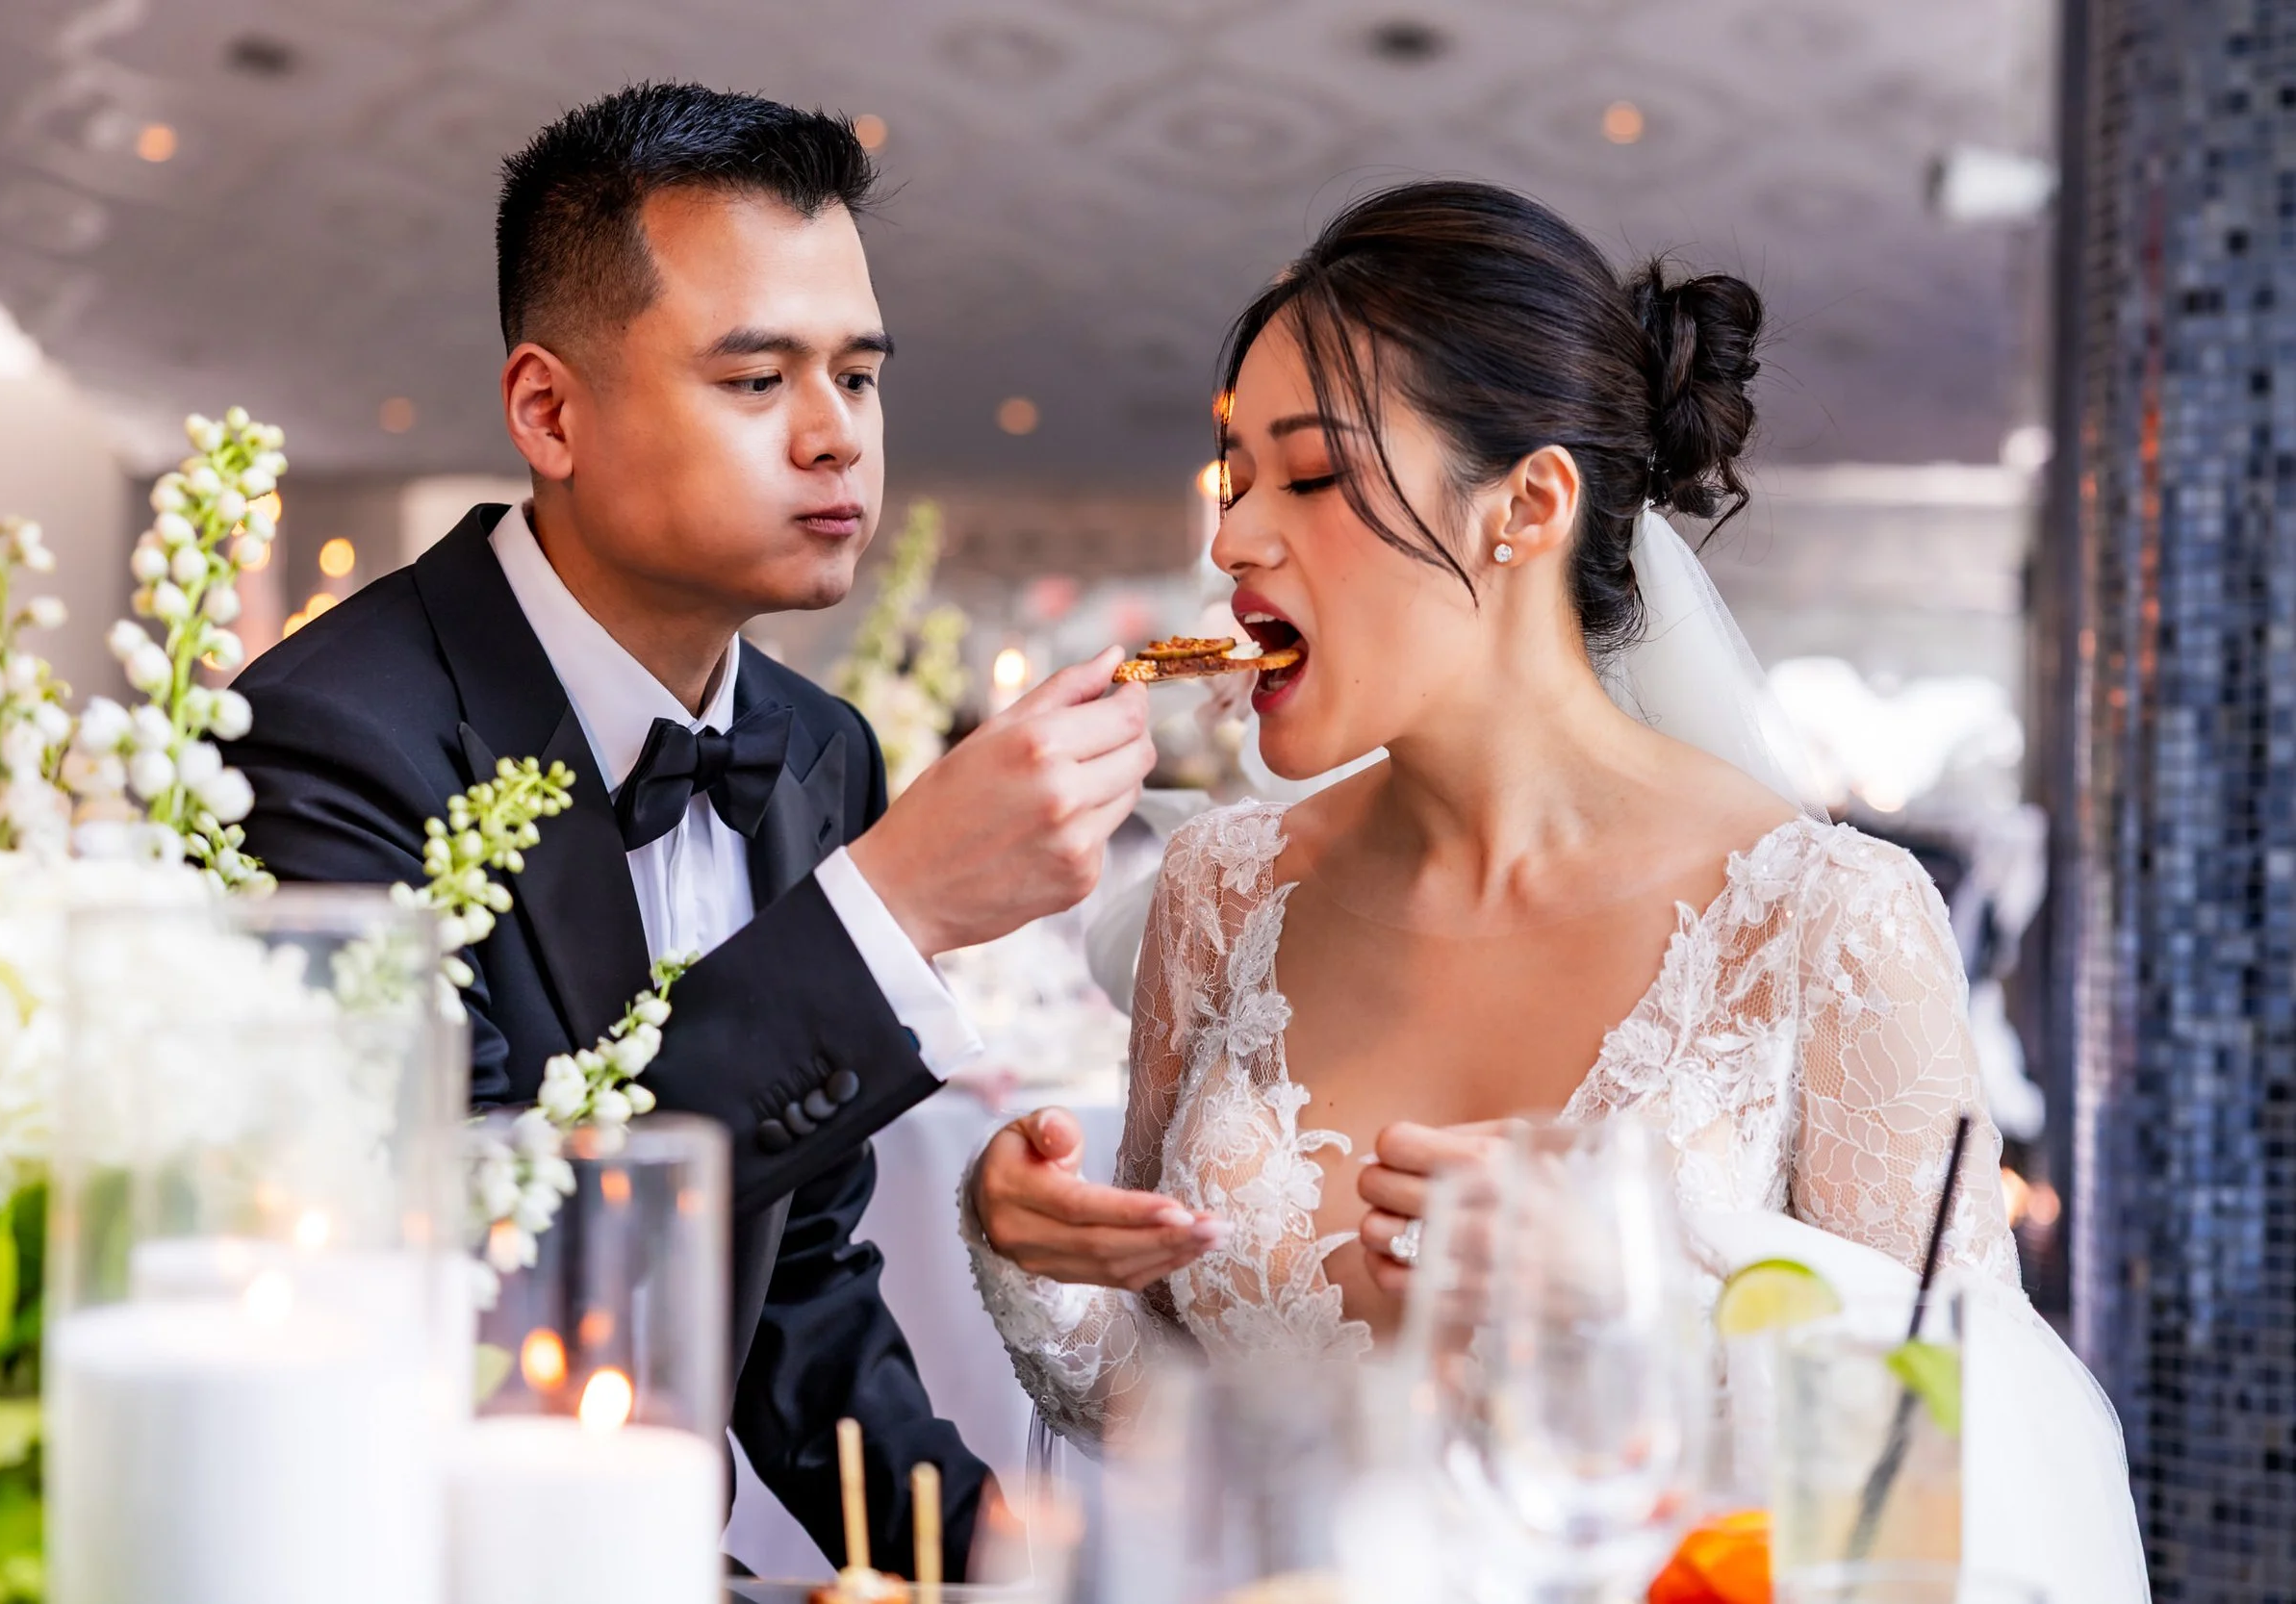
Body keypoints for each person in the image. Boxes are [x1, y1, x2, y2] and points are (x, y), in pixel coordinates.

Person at [225, 84, 1154, 1580]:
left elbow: (790, 1274)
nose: (836, 438)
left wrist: (995, 1558)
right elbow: (465, 1263)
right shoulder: (326, 741)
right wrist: (887, 910)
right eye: (757, 379)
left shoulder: (822, 748)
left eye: (859, 376)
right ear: (550, 412)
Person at [960, 179, 2025, 1439]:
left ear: (1528, 506)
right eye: (1236, 483)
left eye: (1311, 475)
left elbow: (1955, 1441)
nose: (1232, 541)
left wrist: (1641, 1302)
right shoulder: (1220, 889)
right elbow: (1173, 1416)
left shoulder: (1832, 920)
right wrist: (1035, 1257)